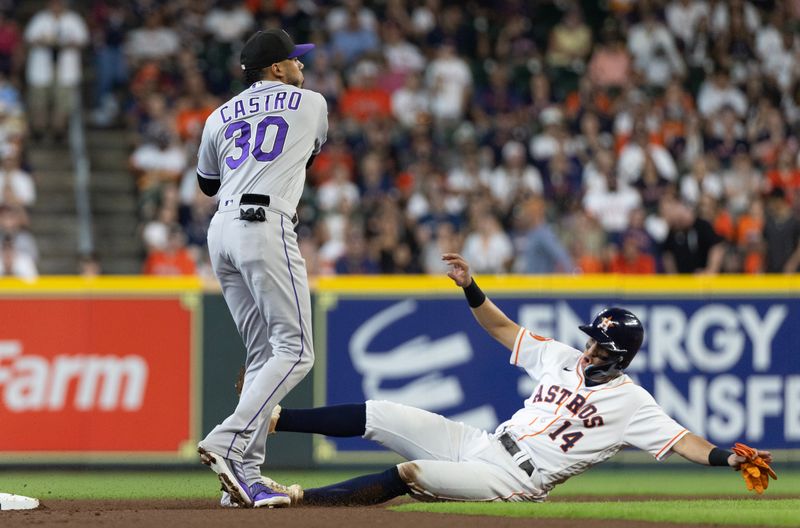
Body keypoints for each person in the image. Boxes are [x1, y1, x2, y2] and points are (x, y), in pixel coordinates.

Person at [248, 253, 774, 506]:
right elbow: (500, 328)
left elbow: (684, 441)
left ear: (620, 356)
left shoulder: (633, 403)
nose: (589, 347)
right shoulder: (562, 357)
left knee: (410, 472)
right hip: (483, 442)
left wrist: (730, 457)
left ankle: (297, 501)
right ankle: (272, 418)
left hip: (515, 480)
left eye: (599, 344)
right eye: (591, 339)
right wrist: (471, 287)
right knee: (379, 413)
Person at [195, 28, 328, 508]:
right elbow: (310, 152)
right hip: (265, 224)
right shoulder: (311, 103)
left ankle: (245, 476)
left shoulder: (217, 116)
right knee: (296, 351)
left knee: (262, 354)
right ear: (277, 69)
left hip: (221, 231)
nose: (302, 66)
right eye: (294, 61)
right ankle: (228, 441)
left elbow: (207, 182)